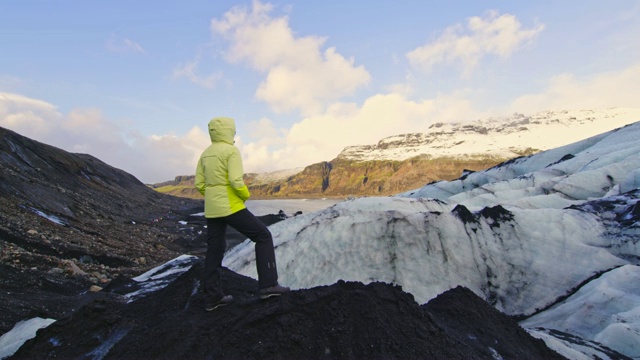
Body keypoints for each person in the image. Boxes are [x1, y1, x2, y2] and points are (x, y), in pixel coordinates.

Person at [195, 116, 290, 311]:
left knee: (215, 249)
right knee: (263, 236)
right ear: (229, 131)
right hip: (231, 206)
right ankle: (268, 285)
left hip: (212, 209)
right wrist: (244, 195)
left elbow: (199, 184)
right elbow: (236, 181)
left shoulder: (205, 154)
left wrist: (212, 197)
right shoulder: (231, 151)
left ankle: (212, 297)